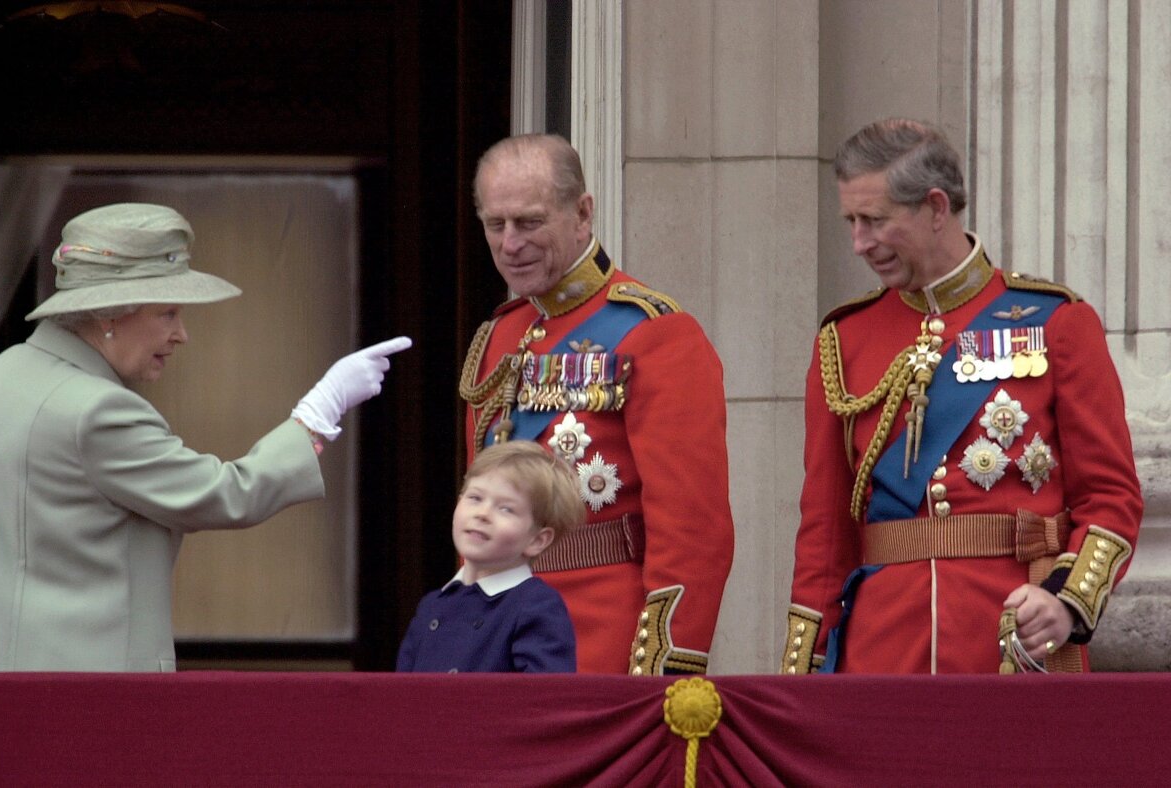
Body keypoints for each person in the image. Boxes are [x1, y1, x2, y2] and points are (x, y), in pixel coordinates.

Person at [0, 202, 411, 672]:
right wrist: (318, 414)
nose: (182, 334)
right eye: (168, 313)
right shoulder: (96, 411)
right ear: (109, 315)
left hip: (1, 680)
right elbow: (228, 494)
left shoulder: (6, 372)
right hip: (88, 695)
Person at [781, 118, 1144, 675]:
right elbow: (824, 538)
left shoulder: (1058, 322)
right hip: (880, 655)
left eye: (874, 221)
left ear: (934, 207)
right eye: (851, 221)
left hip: (1011, 644)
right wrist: (802, 676)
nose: (859, 243)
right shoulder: (844, 341)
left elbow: (1111, 497)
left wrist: (1067, 600)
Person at [459, 134, 734, 675]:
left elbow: (692, 531)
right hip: (494, 640)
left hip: (598, 644)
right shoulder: (499, 336)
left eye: (530, 222)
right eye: (497, 225)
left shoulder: (655, 333)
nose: (510, 244)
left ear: (583, 213)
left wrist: (661, 669)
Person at [396, 440, 580, 673]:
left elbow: (545, 701)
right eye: (475, 498)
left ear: (537, 540)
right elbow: (400, 695)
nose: (482, 514)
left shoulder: (537, 605)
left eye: (506, 509)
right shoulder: (432, 605)